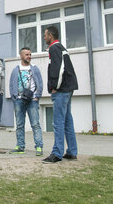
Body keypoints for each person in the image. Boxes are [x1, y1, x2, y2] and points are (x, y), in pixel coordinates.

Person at [42, 26, 79, 163]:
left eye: (45, 35)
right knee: (68, 121)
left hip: (61, 90)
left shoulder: (54, 48)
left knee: (58, 122)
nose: (44, 37)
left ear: (50, 36)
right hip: (68, 88)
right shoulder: (62, 47)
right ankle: (71, 152)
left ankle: (57, 153)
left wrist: (54, 87)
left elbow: (58, 69)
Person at [8, 47, 44, 156]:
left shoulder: (35, 68)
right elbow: (11, 84)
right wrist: (14, 98)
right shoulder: (15, 69)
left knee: (35, 124)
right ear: (21, 56)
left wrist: (37, 96)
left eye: (30, 54)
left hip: (32, 100)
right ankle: (20, 146)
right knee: (19, 124)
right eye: (27, 54)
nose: (29, 56)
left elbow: (40, 83)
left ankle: (39, 146)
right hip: (19, 100)